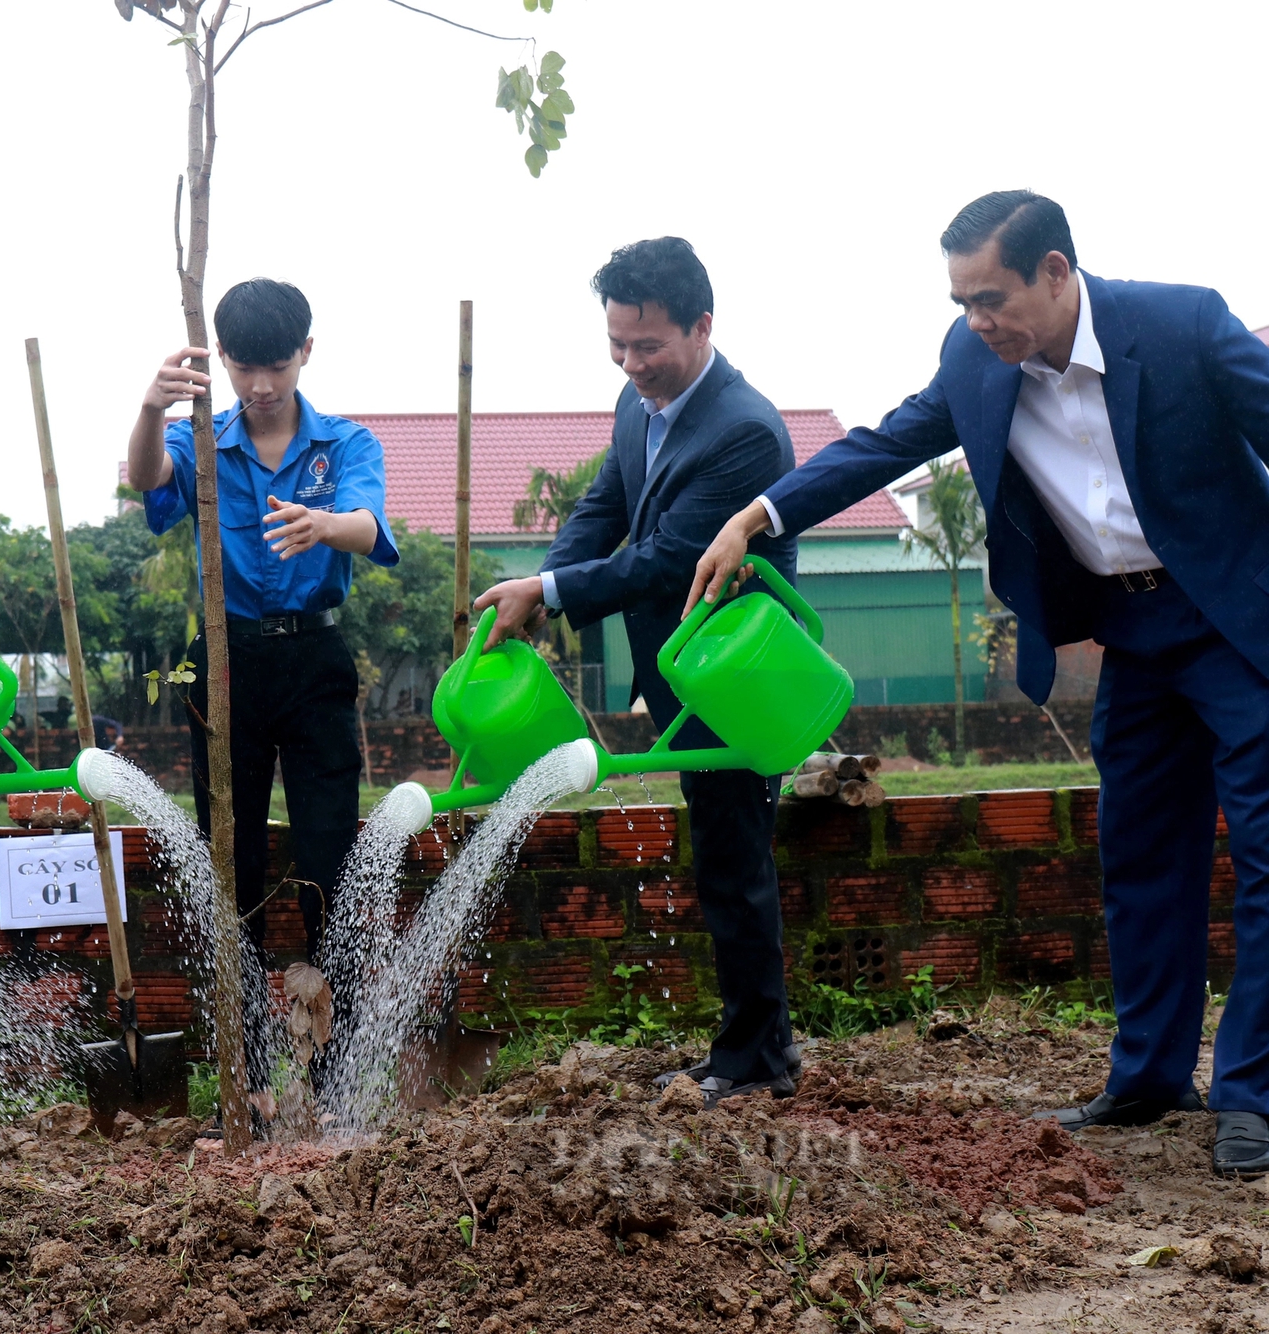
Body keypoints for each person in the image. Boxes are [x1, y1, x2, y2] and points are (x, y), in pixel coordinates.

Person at [690, 190, 1269, 1175]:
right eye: (958, 300)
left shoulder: (1179, 324)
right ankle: (1146, 1075)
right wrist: (755, 516)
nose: (973, 321)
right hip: (1127, 635)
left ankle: (1251, 1091)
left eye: (988, 297)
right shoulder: (972, 362)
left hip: (1237, 622)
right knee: (1135, 854)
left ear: (1054, 272)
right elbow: (881, 444)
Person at [473, 238, 803, 1107]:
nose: (630, 363)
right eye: (617, 345)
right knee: (725, 851)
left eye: (647, 345)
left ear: (701, 326)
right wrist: (543, 589)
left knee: (737, 857)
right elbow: (606, 506)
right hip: (681, 672)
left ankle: (756, 1058)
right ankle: (751, 1045)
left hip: (734, 676)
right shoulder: (639, 403)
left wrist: (545, 588)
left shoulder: (745, 432)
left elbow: (663, 560)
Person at [127, 278, 399, 1101]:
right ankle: (242, 1071)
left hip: (315, 662)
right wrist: (148, 409)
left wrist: (323, 525)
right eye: (244, 367)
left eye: (275, 366)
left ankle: (337, 1070)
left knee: (330, 857)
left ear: (305, 354)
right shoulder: (200, 438)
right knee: (231, 860)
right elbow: (147, 483)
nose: (260, 386)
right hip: (223, 663)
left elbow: (371, 526)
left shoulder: (342, 443)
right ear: (224, 361)